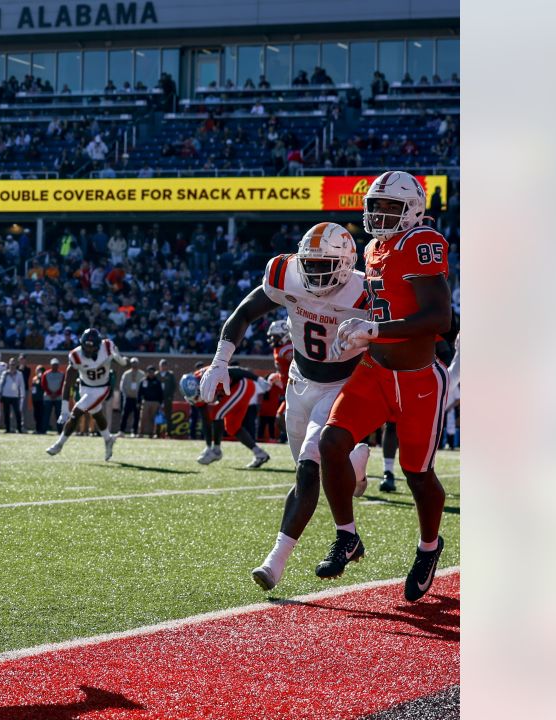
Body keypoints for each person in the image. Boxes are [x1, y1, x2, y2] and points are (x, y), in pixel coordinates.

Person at [199, 221, 373, 589]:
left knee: (310, 465)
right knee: (308, 469)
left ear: (344, 264)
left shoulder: (365, 291)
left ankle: (274, 562)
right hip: (299, 384)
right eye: (307, 263)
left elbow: (393, 338)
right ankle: (354, 464)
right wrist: (220, 362)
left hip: (341, 384)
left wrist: (367, 337)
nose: (311, 272)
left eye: (322, 264)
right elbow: (243, 313)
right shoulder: (285, 273)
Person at [315, 171, 453, 602]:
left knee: (417, 475)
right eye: (375, 205)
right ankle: (347, 536)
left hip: (417, 381)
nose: (380, 213)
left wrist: (373, 329)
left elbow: (439, 320)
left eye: (391, 206)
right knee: (330, 443)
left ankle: (429, 547)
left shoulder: (420, 242)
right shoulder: (374, 247)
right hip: (375, 373)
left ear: (411, 209)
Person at [47, 328, 125, 460]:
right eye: (85, 346)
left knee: (76, 412)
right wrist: (64, 409)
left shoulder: (107, 346)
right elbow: (68, 382)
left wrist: (121, 360)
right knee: (97, 413)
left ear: (98, 345)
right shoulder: (76, 355)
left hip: (102, 388)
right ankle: (108, 438)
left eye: (91, 347)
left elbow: (122, 363)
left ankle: (59, 444)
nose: (88, 350)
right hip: (84, 387)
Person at [0, 357, 25, 432]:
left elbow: (22, 385)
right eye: (11, 364)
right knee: (6, 413)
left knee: (17, 413)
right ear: (9, 365)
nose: (12, 366)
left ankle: (19, 428)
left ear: (16, 365)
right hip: (6, 396)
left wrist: (22, 395)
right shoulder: (5, 373)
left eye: (14, 364)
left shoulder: (19, 374)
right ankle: (7, 429)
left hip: (15, 396)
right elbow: (0, 384)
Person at [118, 358, 144, 436]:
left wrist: (141, 397)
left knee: (136, 415)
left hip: (137, 398)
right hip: (128, 397)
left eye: (135, 363)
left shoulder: (142, 374)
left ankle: (134, 431)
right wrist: (125, 394)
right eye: (132, 363)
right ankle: (121, 431)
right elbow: (122, 386)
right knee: (125, 415)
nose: (134, 364)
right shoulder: (126, 374)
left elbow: (143, 387)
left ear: (138, 364)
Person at [136, 363, 164, 438]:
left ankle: (151, 434)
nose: (151, 373)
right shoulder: (143, 381)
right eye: (149, 372)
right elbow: (139, 392)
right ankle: (140, 433)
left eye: (152, 372)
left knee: (153, 419)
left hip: (155, 402)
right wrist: (138, 402)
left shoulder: (157, 382)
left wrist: (160, 403)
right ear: (147, 372)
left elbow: (160, 393)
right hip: (146, 402)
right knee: (143, 418)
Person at [41, 358, 65, 432]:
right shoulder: (46, 374)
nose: (55, 366)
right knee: (46, 415)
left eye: (56, 365)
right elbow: (43, 384)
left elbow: (63, 385)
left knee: (58, 415)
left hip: (58, 398)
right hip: (48, 398)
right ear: (51, 365)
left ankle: (60, 430)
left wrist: (57, 393)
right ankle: (44, 429)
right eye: (53, 365)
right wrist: (50, 393)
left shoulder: (62, 374)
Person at [158, 359, 177, 437]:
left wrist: (170, 396)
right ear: (159, 366)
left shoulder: (170, 375)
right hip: (158, 398)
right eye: (162, 365)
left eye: (165, 365)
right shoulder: (157, 374)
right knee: (158, 416)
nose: (163, 366)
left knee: (168, 416)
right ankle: (157, 433)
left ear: (167, 366)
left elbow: (174, 386)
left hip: (167, 399)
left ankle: (168, 433)